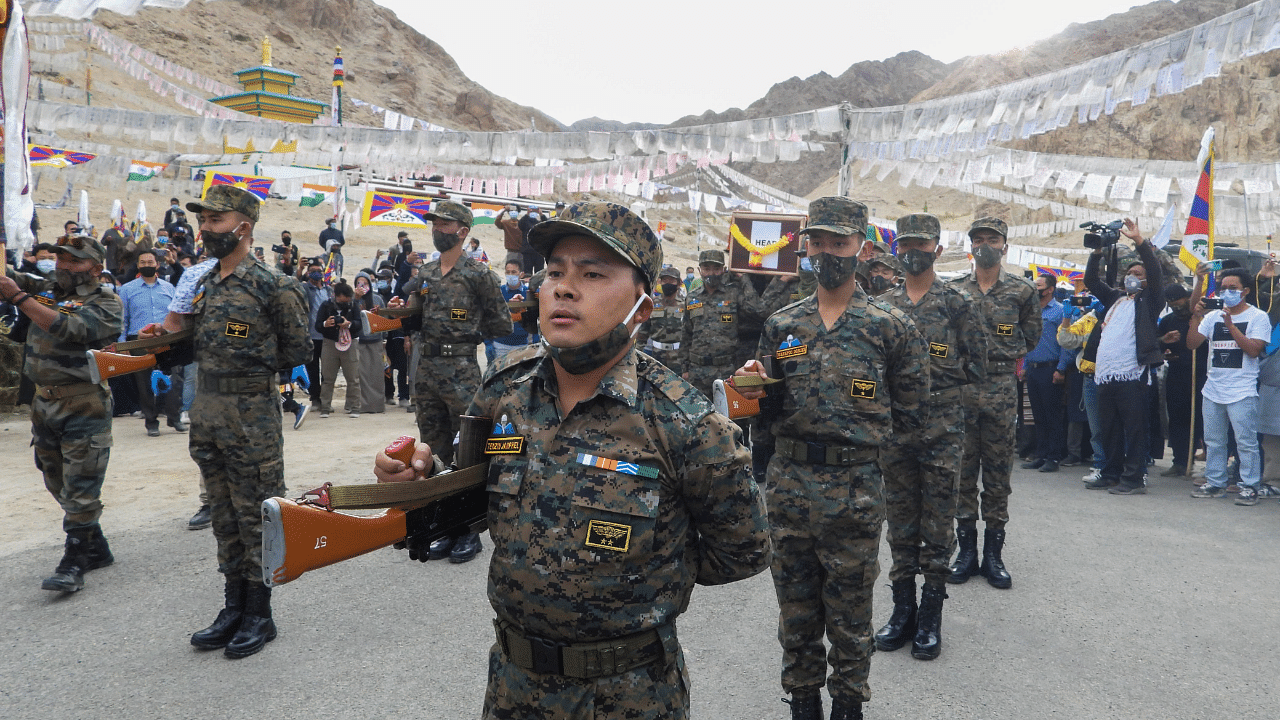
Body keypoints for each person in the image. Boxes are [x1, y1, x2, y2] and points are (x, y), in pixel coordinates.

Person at [375, 200, 770, 718]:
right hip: (513, 688)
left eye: (592, 274)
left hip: (628, 696)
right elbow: (470, 500)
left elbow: (741, 552)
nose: (563, 287)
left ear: (642, 307)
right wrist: (418, 482)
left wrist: (647, 569)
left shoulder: (688, 425)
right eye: (554, 272)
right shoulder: (503, 393)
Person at [733, 196, 927, 720]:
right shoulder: (781, 324)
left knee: (850, 606)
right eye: (818, 242)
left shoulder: (890, 326)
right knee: (795, 605)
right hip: (789, 483)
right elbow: (762, 404)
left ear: (861, 247)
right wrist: (750, 395)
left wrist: (862, 442)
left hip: (854, 486)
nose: (827, 253)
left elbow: (912, 413)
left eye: (839, 243)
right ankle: (802, 701)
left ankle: (848, 703)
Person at [141, 185, 310, 658]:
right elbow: (198, 343)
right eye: (204, 220)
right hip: (209, 415)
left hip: (250, 416)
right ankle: (232, 605)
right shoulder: (205, 284)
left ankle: (260, 612)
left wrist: (250, 363)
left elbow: (297, 351)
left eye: (216, 220)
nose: (206, 228)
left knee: (256, 516)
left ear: (244, 227)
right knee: (222, 515)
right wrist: (165, 342)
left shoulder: (274, 286)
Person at [875, 213, 987, 662]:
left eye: (922, 245)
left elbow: (977, 366)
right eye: (906, 244)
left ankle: (930, 617)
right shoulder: (883, 304)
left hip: (943, 431)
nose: (913, 252)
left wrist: (935, 387)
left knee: (937, 526)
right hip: (895, 433)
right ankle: (902, 611)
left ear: (938, 251)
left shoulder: (958, 303)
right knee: (900, 523)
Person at [0, 232, 123, 593]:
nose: (64, 266)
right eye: (60, 259)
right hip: (44, 403)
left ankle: (74, 559)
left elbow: (72, 328)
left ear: (95, 268)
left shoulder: (106, 301)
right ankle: (94, 544)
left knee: (81, 485)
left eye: (73, 261)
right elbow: (13, 278)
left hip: (84, 402)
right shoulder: (48, 288)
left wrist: (19, 299)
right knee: (55, 478)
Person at [395, 200, 512, 563]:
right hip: (427, 369)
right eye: (435, 224)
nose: (437, 230)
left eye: (445, 225)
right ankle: (443, 526)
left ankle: (468, 532)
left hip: (461, 369)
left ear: (463, 231)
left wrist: (468, 330)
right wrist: (404, 313)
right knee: (433, 449)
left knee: (467, 451)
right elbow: (413, 317)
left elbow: (502, 325)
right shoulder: (426, 273)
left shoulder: (479, 275)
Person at [947, 217, 1039, 590]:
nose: (985, 245)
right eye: (978, 239)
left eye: (992, 239)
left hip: (1001, 391)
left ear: (1005, 244)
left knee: (998, 474)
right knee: (963, 474)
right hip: (962, 391)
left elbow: (1031, 337)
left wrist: (1002, 355)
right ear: (971, 246)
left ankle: (993, 554)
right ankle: (966, 551)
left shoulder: (1022, 291)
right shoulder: (953, 290)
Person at [1081, 220, 1165, 495]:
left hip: (1133, 375)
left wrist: (1140, 242)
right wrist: (1098, 252)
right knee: (1110, 429)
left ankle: (1134, 477)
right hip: (1106, 374)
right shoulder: (1116, 298)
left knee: (1135, 429)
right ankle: (1111, 473)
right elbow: (1091, 281)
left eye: (1138, 273)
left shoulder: (1150, 301)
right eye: (1130, 271)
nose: (1133, 275)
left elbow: (1154, 272)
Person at [1187, 267, 1271, 505]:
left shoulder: (1257, 317)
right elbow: (1192, 343)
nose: (1226, 292)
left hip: (1242, 390)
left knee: (1246, 442)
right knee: (1214, 440)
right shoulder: (1212, 316)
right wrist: (1196, 316)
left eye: (1232, 288)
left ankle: (1249, 486)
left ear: (1245, 291)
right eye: (1223, 288)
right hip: (1213, 389)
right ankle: (1215, 483)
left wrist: (1231, 325)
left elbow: (1254, 350)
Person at [680, 249, 765, 399]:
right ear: (700, 270)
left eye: (716, 269)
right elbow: (686, 334)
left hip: (726, 369)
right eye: (706, 269)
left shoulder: (733, 293)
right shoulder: (692, 297)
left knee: (725, 418)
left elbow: (758, 310)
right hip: (697, 371)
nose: (711, 273)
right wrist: (684, 368)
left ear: (724, 270)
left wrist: (743, 278)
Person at [118, 250, 185, 436]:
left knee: (175, 379)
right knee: (144, 383)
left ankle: (174, 418)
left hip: (167, 340)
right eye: (143, 262)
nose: (147, 264)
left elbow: (176, 317)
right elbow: (123, 319)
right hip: (139, 341)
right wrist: (123, 344)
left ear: (157, 265)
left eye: (151, 261)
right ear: (138, 266)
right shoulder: (127, 289)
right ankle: (151, 422)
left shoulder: (169, 288)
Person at [1020, 273, 1073, 473]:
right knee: (1038, 416)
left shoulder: (1060, 312)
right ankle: (1041, 455)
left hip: (1051, 369)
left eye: (1039, 286)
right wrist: (1024, 365)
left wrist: (1061, 368)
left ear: (1050, 289)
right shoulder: (1032, 311)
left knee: (1052, 416)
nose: (1035, 289)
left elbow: (1066, 343)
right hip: (1033, 369)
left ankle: (1053, 457)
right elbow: (1028, 340)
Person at [1158, 284, 1207, 477]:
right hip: (1177, 376)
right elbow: (1158, 345)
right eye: (1171, 304)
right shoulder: (1168, 321)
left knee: (1203, 420)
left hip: (1201, 375)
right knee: (1178, 419)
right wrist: (1165, 345)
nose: (1175, 307)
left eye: (1178, 303)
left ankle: (1211, 464)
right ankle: (1180, 461)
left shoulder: (1201, 319)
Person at [315, 281, 363, 418]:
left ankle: (354, 407)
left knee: (353, 377)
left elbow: (359, 324)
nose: (348, 299)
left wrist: (349, 324)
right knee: (327, 378)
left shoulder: (353, 306)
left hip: (351, 343)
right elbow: (317, 325)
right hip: (330, 343)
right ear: (337, 296)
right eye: (345, 297)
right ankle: (325, 407)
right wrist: (326, 323)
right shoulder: (326, 306)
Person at [637, 266, 686, 375]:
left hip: (678, 357)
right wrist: (638, 353)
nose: (667, 283)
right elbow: (643, 331)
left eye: (672, 280)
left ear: (678, 283)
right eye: (664, 280)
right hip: (655, 355)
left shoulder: (685, 304)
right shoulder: (653, 303)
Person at [353, 272, 387, 414]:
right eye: (359, 284)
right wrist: (355, 300)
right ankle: (364, 405)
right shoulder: (354, 300)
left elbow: (384, 319)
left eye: (365, 283)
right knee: (362, 375)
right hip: (360, 341)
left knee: (377, 375)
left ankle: (378, 405)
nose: (363, 286)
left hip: (376, 340)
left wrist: (385, 338)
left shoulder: (378, 299)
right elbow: (351, 316)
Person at [301, 259, 331, 410]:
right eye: (313, 270)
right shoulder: (304, 288)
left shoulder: (329, 290)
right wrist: (299, 269)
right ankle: (315, 398)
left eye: (319, 271)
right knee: (312, 369)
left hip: (326, 336)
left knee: (327, 369)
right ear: (308, 273)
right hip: (311, 335)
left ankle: (325, 398)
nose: (316, 273)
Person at [491, 260, 535, 359]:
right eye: (508, 272)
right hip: (500, 345)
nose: (510, 275)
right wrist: (488, 343)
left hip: (522, 345)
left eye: (514, 272)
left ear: (521, 274)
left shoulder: (528, 294)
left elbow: (534, 320)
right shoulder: (498, 292)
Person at [518, 205, 546, 273]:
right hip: (527, 252)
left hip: (539, 253)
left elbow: (548, 225)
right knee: (527, 274)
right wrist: (527, 214)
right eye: (531, 210)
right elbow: (520, 224)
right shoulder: (525, 223)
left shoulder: (540, 224)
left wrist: (541, 214)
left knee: (539, 274)